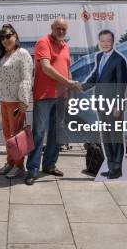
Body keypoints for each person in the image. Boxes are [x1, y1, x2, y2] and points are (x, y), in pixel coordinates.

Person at [25, 18, 80, 186]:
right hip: (44, 95)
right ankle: (32, 169)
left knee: (57, 132)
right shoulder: (43, 42)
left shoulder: (65, 46)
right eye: (58, 28)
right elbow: (46, 68)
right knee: (39, 133)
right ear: (52, 28)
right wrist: (68, 82)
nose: (61, 31)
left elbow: (67, 69)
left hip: (61, 96)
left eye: (64, 28)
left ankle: (49, 164)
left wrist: (69, 89)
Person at [0, 24, 33, 179]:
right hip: (4, 100)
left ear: (15, 36)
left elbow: (26, 78)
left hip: (16, 102)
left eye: (8, 36)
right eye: (2, 37)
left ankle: (19, 165)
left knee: (16, 134)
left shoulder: (23, 54)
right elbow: (0, 76)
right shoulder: (5, 56)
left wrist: (23, 100)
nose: (5, 40)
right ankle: (10, 162)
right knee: (8, 134)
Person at [82, 29, 127, 179]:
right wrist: (81, 86)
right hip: (101, 103)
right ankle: (110, 166)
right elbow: (96, 76)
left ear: (113, 42)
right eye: (102, 41)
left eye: (108, 41)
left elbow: (122, 85)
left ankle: (117, 169)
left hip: (113, 105)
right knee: (106, 136)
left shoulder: (119, 60)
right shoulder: (99, 56)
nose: (105, 44)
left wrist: (118, 106)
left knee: (115, 136)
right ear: (99, 42)